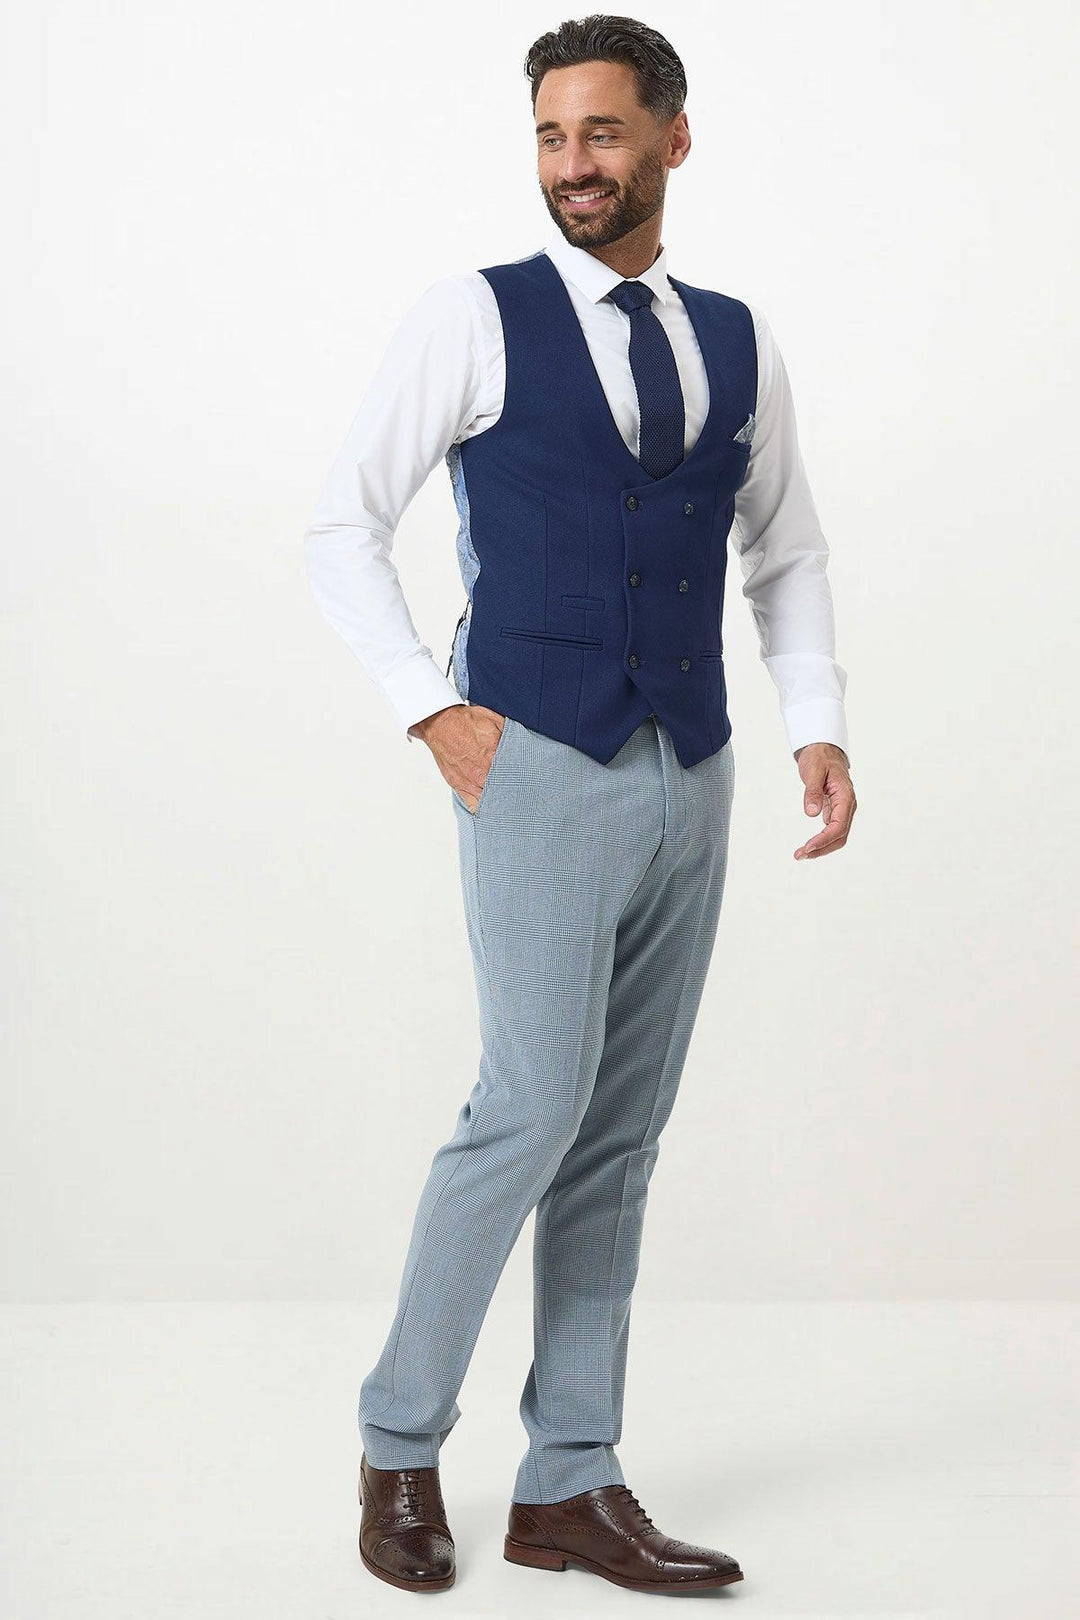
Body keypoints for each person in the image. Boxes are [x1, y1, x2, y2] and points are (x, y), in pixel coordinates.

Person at [303, 14, 856, 1595]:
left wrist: (815, 721)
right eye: (551, 137)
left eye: (603, 133)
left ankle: (570, 1483)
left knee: (618, 1135)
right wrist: (429, 708)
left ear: (673, 138)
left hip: (695, 768)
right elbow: (341, 524)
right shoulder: (473, 317)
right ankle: (398, 1443)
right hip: (535, 758)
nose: (574, 166)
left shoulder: (736, 336)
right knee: (529, 1108)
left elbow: (786, 548)